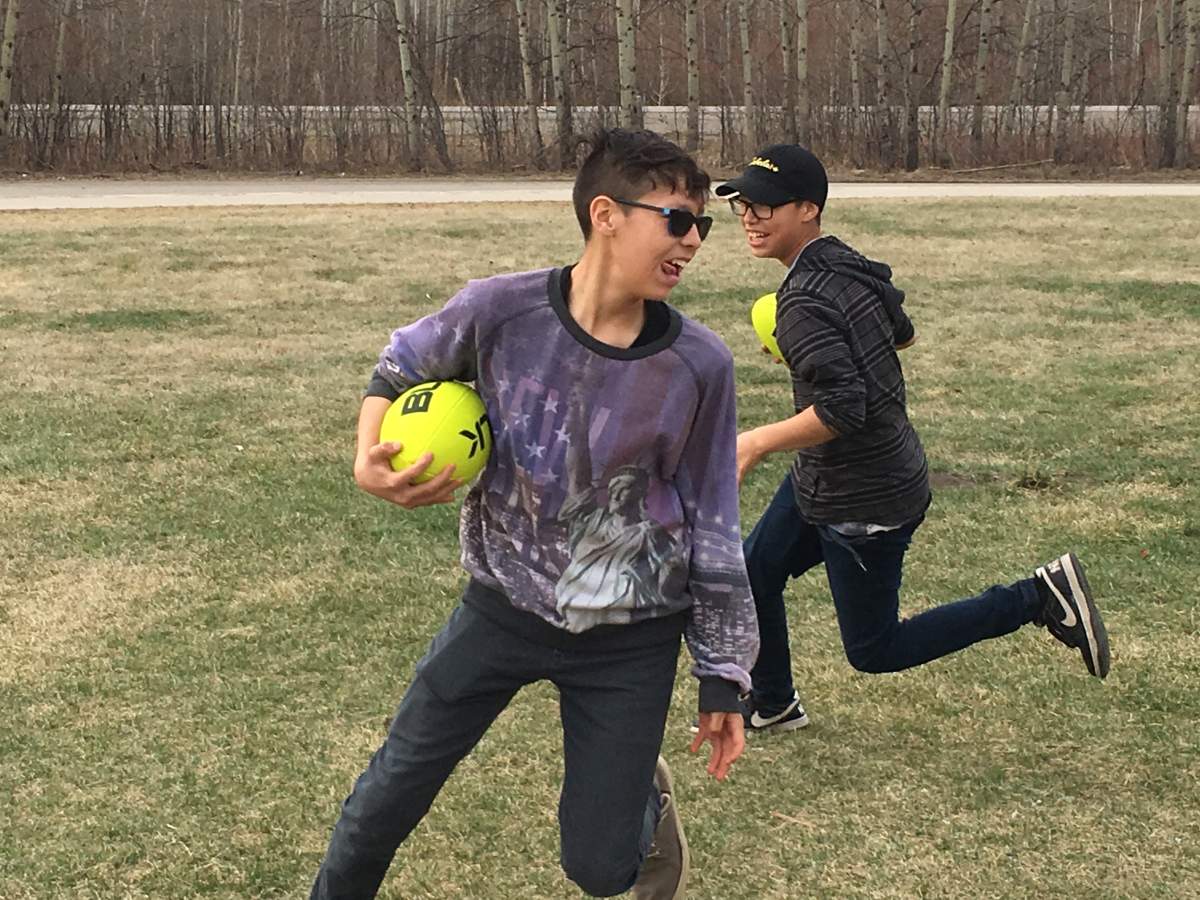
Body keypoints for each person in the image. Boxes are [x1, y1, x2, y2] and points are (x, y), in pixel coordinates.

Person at [308, 128, 759, 900]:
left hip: (630, 636)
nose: (693, 242)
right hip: (503, 610)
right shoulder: (499, 311)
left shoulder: (699, 364)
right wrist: (366, 456)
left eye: (702, 226)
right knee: (385, 798)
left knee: (598, 867)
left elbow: (712, 517)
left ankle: (638, 807)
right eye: (677, 221)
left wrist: (723, 674)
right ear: (607, 214)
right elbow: (399, 365)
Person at [714, 144, 1110, 735]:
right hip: (828, 478)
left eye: (765, 206)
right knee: (756, 568)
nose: (750, 216)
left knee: (875, 649)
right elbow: (902, 333)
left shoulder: (800, 300)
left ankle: (1037, 597)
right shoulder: (847, 265)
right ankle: (773, 702)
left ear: (807, 210)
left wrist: (755, 442)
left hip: (863, 496)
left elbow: (843, 409)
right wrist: (826, 353)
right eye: (743, 204)